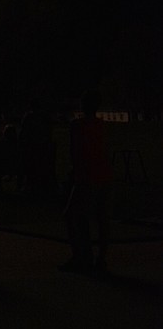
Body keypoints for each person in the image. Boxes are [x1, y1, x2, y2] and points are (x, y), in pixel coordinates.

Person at [59, 90, 113, 273]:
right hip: (103, 175)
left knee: (73, 215)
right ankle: (100, 258)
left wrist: (74, 174)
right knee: (101, 218)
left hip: (86, 177)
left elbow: (75, 153)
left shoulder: (77, 126)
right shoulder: (101, 125)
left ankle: (81, 256)